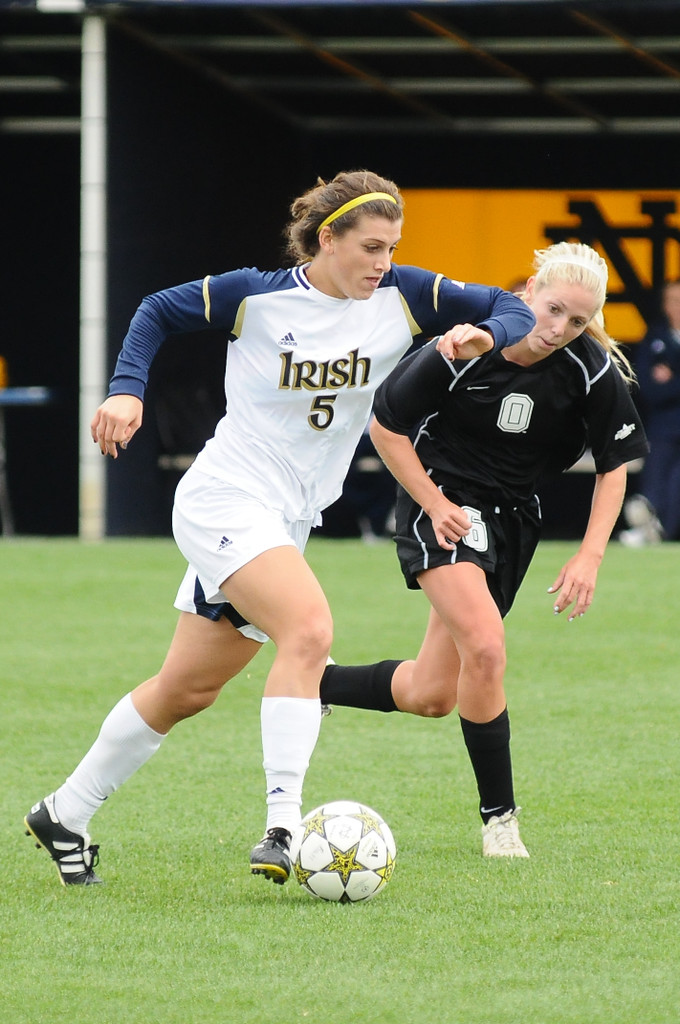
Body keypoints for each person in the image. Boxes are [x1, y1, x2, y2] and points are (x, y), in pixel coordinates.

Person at [23, 169, 535, 887]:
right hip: (226, 499)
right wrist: (125, 392)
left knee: (187, 689)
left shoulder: (405, 294)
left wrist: (485, 331)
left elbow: (513, 308)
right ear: (328, 239)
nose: (383, 262)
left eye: (392, 248)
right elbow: (155, 311)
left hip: (287, 518)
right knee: (310, 630)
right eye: (370, 247)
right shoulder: (258, 295)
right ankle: (285, 826)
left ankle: (64, 813)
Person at [320, 242, 649, 858]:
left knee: (431, 695)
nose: (560, 329)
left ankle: (315, 683)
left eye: (578, 321)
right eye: (552, 310)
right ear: (528, 290)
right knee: (487, 647)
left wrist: (590, 556)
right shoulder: (467, 346)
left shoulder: (589, 368)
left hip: (512, 519)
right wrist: (434, 503)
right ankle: (500, 822)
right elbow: (385, 429)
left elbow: (614, 467)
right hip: (439, 502)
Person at [619, 279, 680, 546]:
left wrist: (672, 378)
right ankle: (649, 525)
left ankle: (664, 529)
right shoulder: (655, 337)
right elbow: (647, 388)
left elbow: (664, 388)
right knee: (656, 470)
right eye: (673, 301)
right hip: (663, 427)